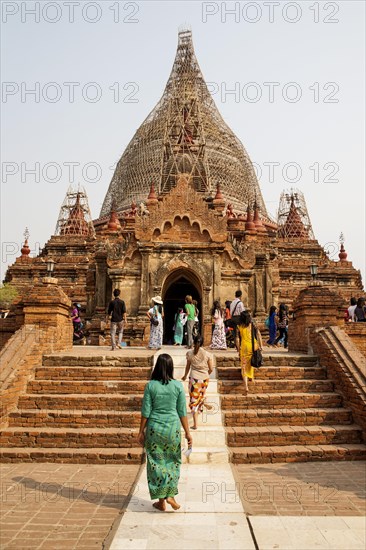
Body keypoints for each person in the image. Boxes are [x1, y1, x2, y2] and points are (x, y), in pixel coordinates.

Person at [138, 354, 192, 512]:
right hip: (172, 430)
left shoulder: (151, 386)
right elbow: (182, 411)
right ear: (170, 368)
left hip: (155, 429)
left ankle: (163, 499)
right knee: (172, 461)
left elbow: (146, 411)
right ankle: (167, 498)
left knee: (156, 463)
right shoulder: (177, 386)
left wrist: (140, 431)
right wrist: (188, 433)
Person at [182, 335, 213, 430]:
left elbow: (187, 367)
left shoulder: (190, 353)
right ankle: (202, 401)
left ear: (194, 342)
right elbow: (211, 369)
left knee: (193, 401)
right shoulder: (208, 354)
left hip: (194, 379)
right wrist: (205, 374)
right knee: (199, 397)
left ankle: (195, 424)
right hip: (205, 380)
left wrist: (185, 376)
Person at [236, 311, 263, 392]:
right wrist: (261, 345)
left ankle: (246, 387)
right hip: (254, 345)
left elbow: (237, 339)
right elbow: (258, 334)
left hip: (244, 347)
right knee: (251, 361)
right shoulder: (253, 324)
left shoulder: (239, 326)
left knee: (244, 366)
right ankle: (251, 378)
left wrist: (238, 349)